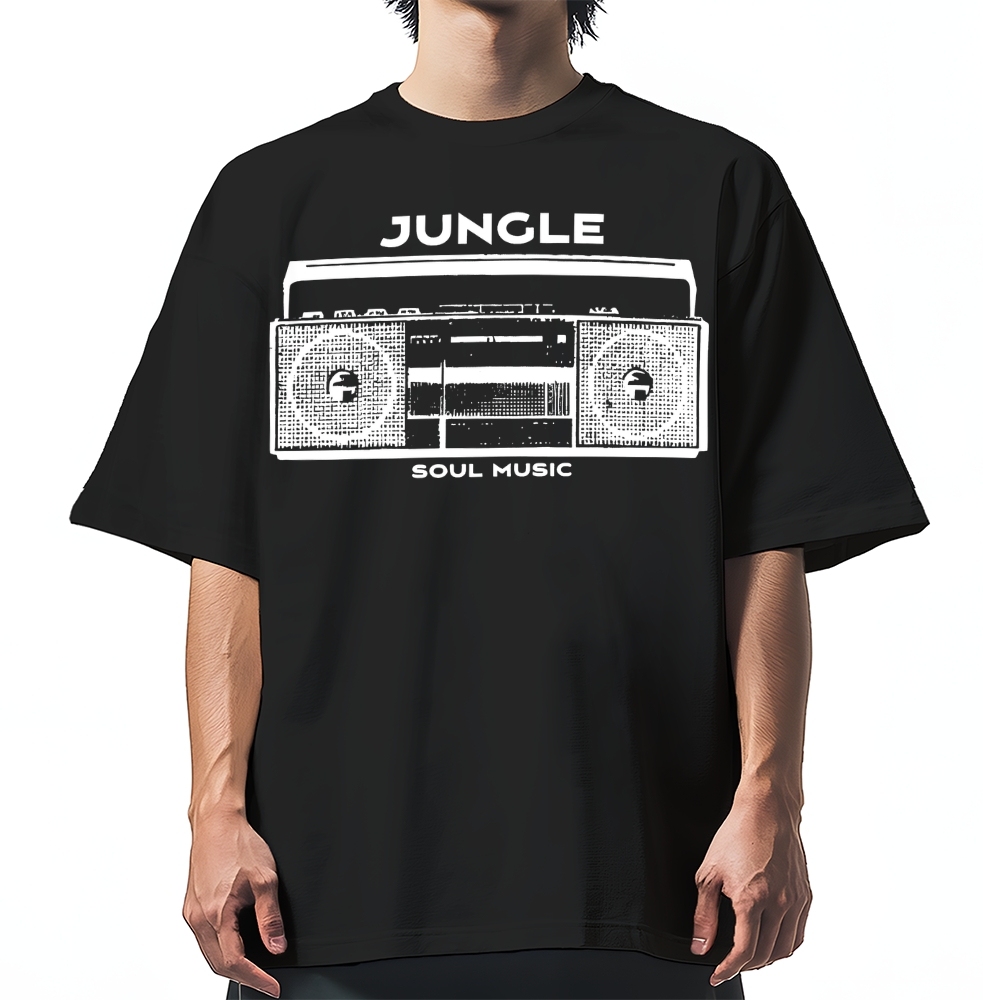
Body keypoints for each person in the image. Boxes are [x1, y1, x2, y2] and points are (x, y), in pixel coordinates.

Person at [69, 1, 929, 997]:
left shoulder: (720, 186)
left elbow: (770, 529)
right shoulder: (269, 199)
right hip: (324, 894)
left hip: (651, 882)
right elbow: (223, 535)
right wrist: (214, 812)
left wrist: (772, 798)